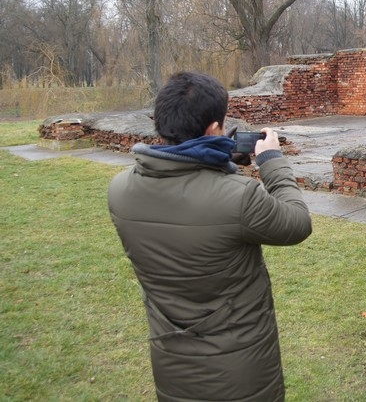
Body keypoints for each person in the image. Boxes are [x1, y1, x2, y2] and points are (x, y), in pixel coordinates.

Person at [107, 71, 312, 401]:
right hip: (240, 374)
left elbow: (188, 196)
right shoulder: (240, 198)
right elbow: (297, 222)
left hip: (173, 366)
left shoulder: (120, 192)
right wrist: (271, 161)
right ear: (214, 129)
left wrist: (218, 163)